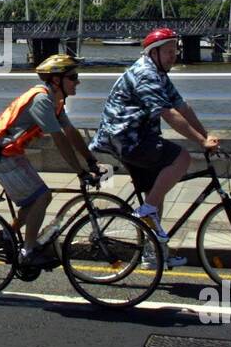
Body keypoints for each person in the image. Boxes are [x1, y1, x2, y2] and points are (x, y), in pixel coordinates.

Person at [90, 28, 219, 268]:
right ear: (153, 53)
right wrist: (200, 142)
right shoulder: (146, 74)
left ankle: (153, 253)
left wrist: (206, 133)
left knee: (155, 193)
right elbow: (168, 114)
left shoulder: (159, 73)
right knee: (181, 158)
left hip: (136, 137)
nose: (174, 56)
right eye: (169, 52)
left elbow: (182, 106)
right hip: (126, 138)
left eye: (175, 51)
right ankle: (146, 212)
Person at [0, 54, 101, 266]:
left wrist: (91, 161)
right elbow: (60, 140)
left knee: (37, 200)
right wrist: (80, 172)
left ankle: (6, 237)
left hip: (10, 153)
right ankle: (28, 251)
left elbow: (71, 133)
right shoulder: (42, 100)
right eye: (73, 77)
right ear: (56, 80)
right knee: (42, 197)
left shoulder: (55, 101)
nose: (77, 81)